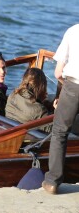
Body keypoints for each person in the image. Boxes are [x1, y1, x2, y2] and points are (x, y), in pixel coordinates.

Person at [42, 24, 79, 194]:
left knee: (60, 132)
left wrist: (63, 92)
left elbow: (58, 73)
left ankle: (52, 181)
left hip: (73, 86)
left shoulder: (73, 31)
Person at [5, 67, 52, 132]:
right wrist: (57, 111)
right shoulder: (38, 109)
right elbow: (53, 129)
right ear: (41, 86)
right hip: (29, 140)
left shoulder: (12, 95)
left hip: (12, 132)